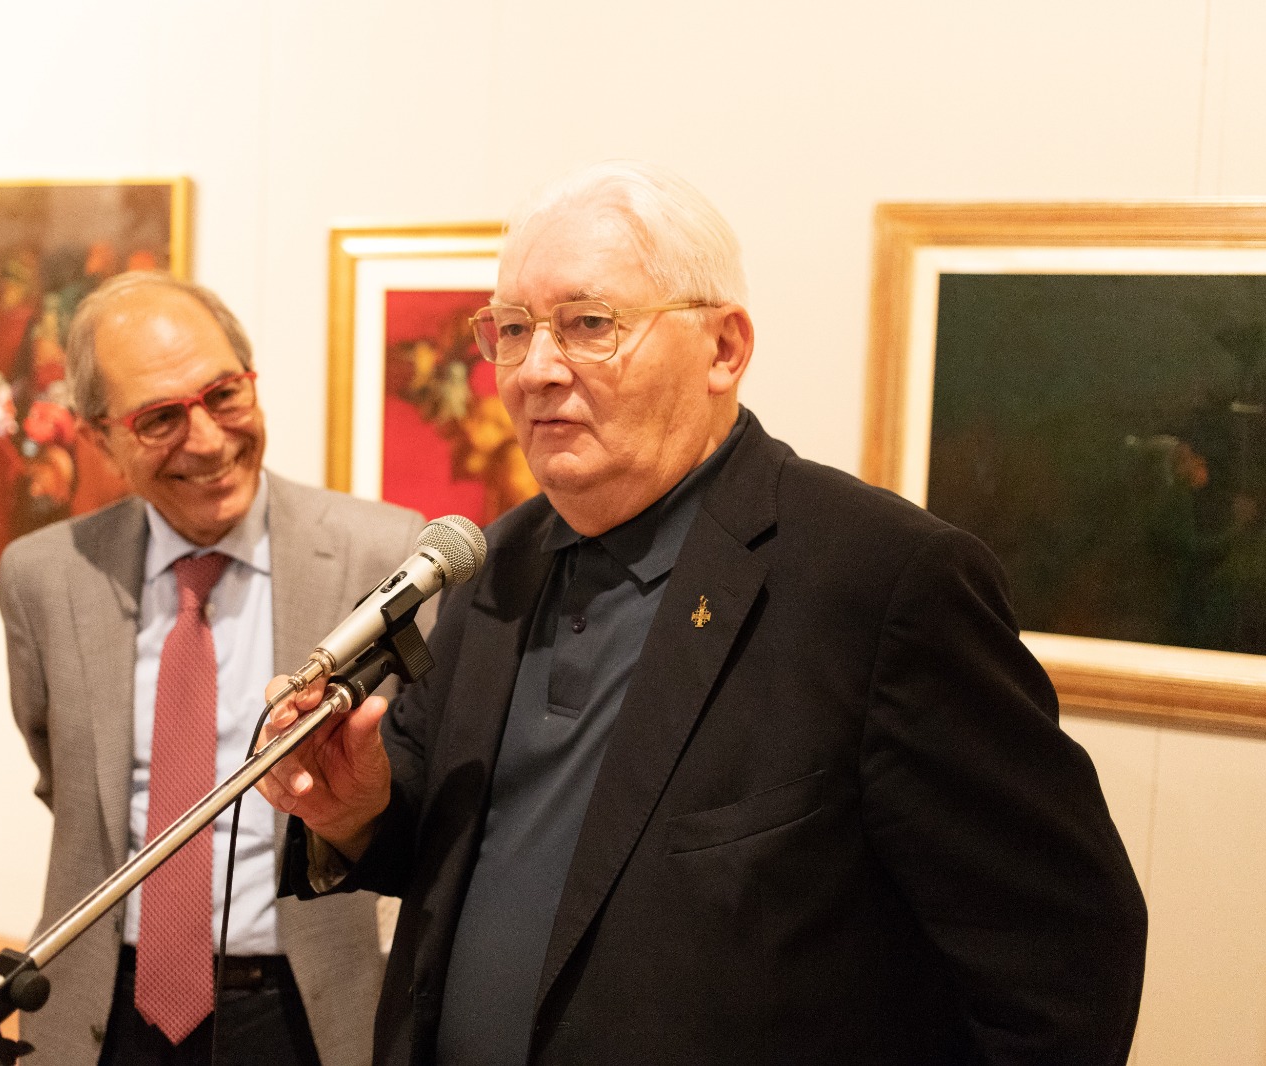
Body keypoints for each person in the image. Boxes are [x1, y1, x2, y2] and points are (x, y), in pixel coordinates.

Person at [257, 162, 1148, 1066]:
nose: (536, 371)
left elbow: (1064, 959)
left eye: (589, 324)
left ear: (724, 348)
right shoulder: (495, 563)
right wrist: (361, 811)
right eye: (513, 330)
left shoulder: (881, 583)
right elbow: (447, 836)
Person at [0, 271, 428, 1066]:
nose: (205, 440)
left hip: (304, 1009)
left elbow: (416, 787)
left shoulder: (384, 555)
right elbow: (64, 776)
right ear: (100, 439)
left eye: (224, 395)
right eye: (160, 417)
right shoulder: (44, 577)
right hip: (101, 1008)